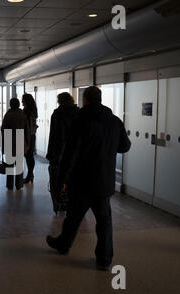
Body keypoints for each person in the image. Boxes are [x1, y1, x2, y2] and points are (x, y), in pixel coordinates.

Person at [46, 86, 131, 271]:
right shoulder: (115, 121)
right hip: (104, 182)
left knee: (73, 217)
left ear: (85, 100)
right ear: (100, 99)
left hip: (82, 181)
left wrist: (62, 180)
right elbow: (125, 146)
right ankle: (104, 259)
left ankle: (63, 244)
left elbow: (70, 154)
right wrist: (107, 147)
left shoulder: (80, 121)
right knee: (104, 223)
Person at [46, 92, 79, 214]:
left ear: (59, 101)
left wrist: (52, 155)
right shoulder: (78, 113)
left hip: (60, 153)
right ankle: (74, 205)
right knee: (74, 180)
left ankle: (59, 204)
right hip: (76, 154)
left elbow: (54, 136)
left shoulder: (57, 114)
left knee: (58, 179)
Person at [1, 98, 30, 190]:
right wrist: (27, 143)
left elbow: (3, 130)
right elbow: (27, 130)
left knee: (10, 164)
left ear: (10, 104)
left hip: (9, 140)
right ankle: (19, 184)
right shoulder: (22, 115)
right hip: (20, 140)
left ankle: (10, 185)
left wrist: (2, 144)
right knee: (19, 164)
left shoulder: (8, 115)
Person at [22, 93, 38, 184]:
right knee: (29, 156)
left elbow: (28, 126)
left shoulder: (27, 111)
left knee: (28, 156)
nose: (22, 101)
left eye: (23, 100)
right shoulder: (32, 110)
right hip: (32, 135)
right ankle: (30, 175)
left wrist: (27, 141)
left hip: (28, 136)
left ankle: (30, 175)